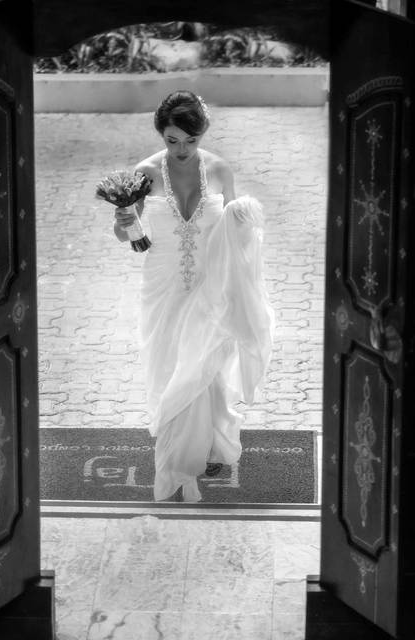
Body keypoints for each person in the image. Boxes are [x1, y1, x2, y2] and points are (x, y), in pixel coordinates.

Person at [113, 90, 275, 502]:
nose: (182, 149)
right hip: (164, 281)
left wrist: (244, 218)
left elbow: (239, 230)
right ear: (161, 134)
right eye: (173, 140)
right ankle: (182, 447)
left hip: (211, 280)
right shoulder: (144, 173)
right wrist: (124, 220)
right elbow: (137, 239)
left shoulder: (219, 170)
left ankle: (211, 447)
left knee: (207, 362)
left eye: (191, 141)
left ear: (201, 135)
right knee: (171, 362)